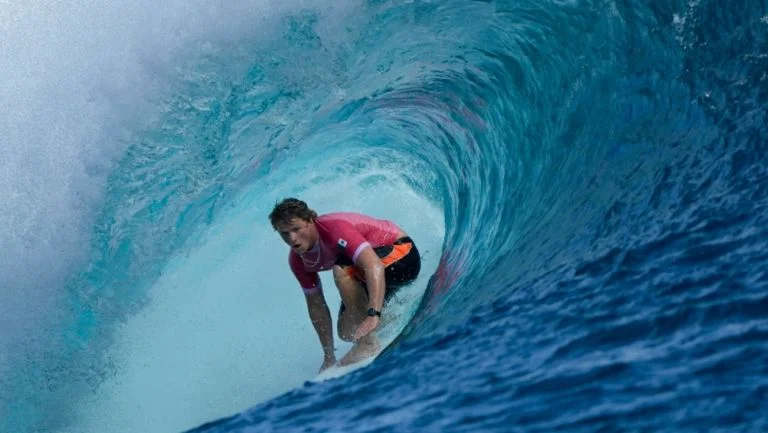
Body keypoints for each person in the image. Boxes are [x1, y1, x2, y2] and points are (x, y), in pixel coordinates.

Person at [269, 198, 421, 372]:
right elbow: (316, 305)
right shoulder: (297, 261)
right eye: (284, 234)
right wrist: (328, 356)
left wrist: (373, 314)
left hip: (403, 256)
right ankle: (392, 319)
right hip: (373, 274)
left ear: (310, 220)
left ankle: (367, 343)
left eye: (296, 229)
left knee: (341, 269)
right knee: (347, 331)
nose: (292, 238)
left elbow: (373, 265)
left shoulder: (333, 229)